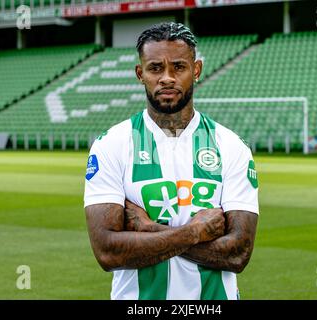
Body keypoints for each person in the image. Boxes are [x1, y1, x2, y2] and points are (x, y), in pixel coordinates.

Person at [84, 22, 259, 300]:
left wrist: (148, 229)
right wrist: (194, 232)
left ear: (197, 70)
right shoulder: (111, 145)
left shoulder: (231, 146)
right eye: (155, 68)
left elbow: (238, 254)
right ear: (140, 74)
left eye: (178, 67)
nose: (167, 78)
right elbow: (107, 252)